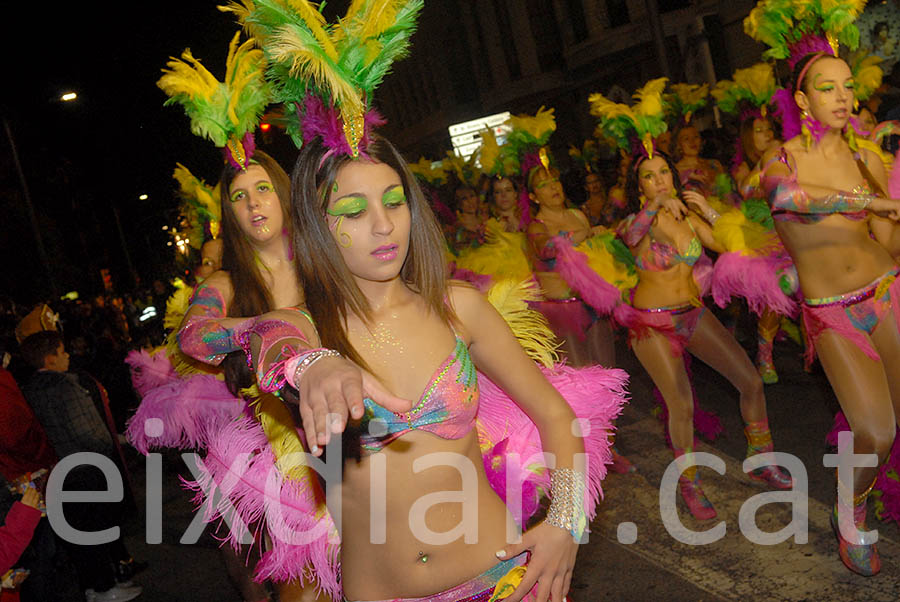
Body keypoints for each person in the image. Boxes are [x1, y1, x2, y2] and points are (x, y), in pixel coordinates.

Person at [239, 133, 624, 602]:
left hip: (503, 582)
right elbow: (257, 347)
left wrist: (566, 521)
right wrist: (312, 366)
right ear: (318, 224)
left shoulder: (460, 309)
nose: (384, 226)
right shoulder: (297, 328)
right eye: (355, 211)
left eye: (395, 202)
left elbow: (556, 415)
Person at [746, 0, 900, 577]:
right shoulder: (777, 161)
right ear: (802, 101)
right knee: (876, 431)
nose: (841, 97)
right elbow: (793, 200)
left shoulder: (867, 158)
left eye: (846, 87)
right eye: (826, 88)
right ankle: (850, 508)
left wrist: (890, 212)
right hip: (832, 315)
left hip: (887, 292)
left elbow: (884, 237)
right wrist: (876, 201)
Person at [19, 332, 142, 602]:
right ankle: (104, 587)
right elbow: (86, 431)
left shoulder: (29, 390)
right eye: (62, 352)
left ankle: (95, 585)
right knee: (96, 528)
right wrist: (106, 443)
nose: (67, 356)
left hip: (61, 469)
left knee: (81, 534)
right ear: (49, 358)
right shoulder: (65, 386)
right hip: (86, 465)